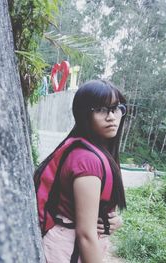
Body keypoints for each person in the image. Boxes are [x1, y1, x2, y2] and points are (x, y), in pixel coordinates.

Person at [36, 79, 127, 262]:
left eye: (116, 108)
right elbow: (86, 235)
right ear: (84, 114)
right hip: (69, 251)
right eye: (101, 109)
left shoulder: (91, 150)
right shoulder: (88, 162)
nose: (112, 116)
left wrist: (115, 221)